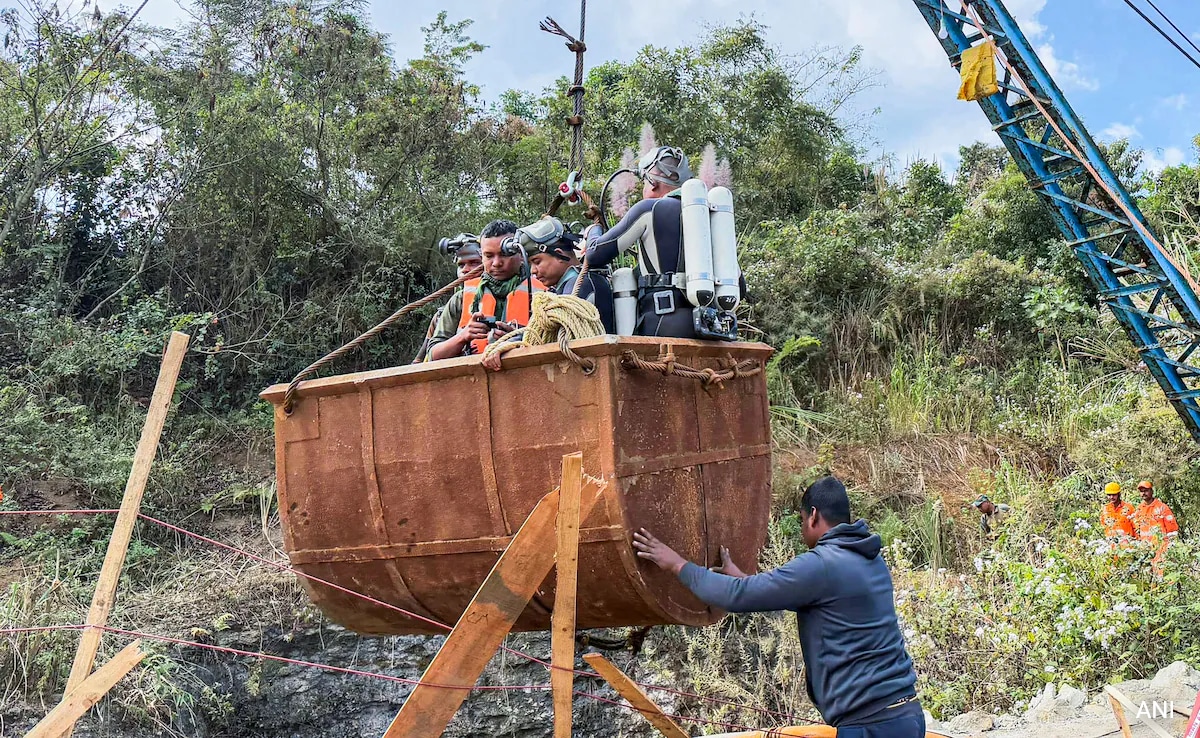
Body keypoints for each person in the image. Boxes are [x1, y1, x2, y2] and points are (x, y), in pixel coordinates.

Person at [632, 477, 924, 737]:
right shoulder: (870, 560)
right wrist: (743, 579)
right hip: (907, 715)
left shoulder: (820, 565)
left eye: (800, 521)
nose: (801, 530)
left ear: (813, 516)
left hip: (870, 725)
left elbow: (736, 597)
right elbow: (808, 601)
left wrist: (676, 564)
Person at [583, 146, 698, 338]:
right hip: (710, 326)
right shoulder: (712, 215)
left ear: (652, 183)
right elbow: (740, 287)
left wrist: (594, 230)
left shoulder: (649, 209)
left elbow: (595, 255)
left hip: (662, 322)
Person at [427, 220, 546, 361]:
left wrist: (520, 340)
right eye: (489, 256)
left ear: (520, 254)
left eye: (504, 254)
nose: (496, 263)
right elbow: (432, 356)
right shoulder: (461, 299)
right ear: (482, 256)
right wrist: (463, 336)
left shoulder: (542, 296)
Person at [524, 220, 616, 333]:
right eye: (530, 264)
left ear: (559, 254)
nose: (533, 270)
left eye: (537, 262)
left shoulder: (581, 284)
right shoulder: (565, 287)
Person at [412, 237, 483, 363]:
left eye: (474, 263)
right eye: (461, 264)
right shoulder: (444, 313)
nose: (465, 269)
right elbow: (423, 360)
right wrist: (463, 336)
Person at [1132, 480, 1179, 572]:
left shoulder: (1162, 507)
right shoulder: (1139, 509)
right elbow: (1136, 529)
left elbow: (1172, 529)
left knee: (1161, 574)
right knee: (1147, 577)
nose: (1143, 493)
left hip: (1160, 548)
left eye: (1146, 490)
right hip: (1145, 549)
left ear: (1152, 491)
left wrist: (1170, 547)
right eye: (1141, 491)